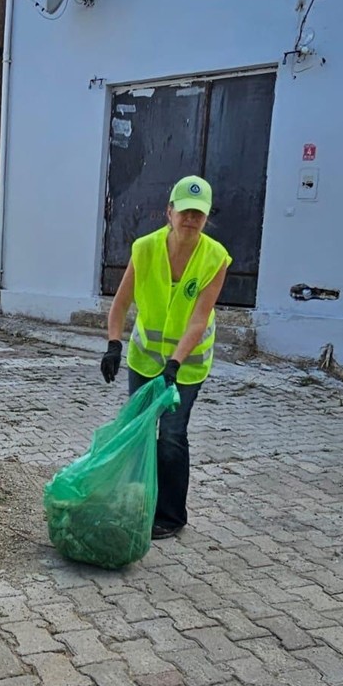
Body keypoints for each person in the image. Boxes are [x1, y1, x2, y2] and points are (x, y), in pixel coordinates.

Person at [100, 175, 231, 539]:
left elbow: (198, 318)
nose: (191, 219)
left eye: (198, 213)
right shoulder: (144, 248)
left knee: (171, 435)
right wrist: (114, 344)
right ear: (169, 212)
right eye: (184, 211)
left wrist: (174, 364)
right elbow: (121, 304)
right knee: (138, 431)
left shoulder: (215, 258)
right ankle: (135, 501)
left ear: (206, 218)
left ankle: (171, 516)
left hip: (187, 365)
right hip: (144, 360)